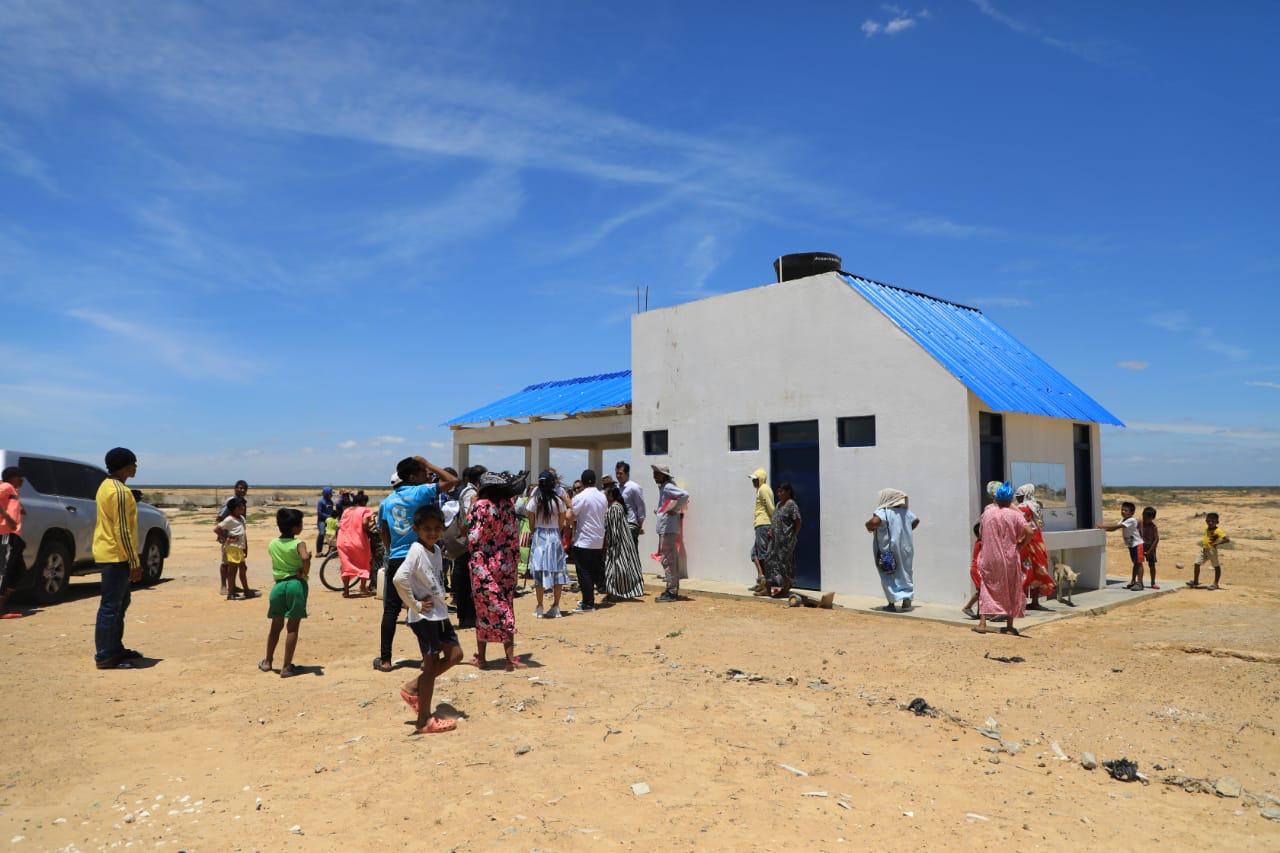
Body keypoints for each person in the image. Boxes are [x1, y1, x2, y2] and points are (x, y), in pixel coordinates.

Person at [375, 456, 457, 673]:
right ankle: (428, 656)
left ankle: (385, 659)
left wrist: (390, 549)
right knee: (426, 603)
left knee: (391, 610)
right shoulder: (420, 492)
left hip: (396, 556)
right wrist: (428, 462)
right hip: (420, 554)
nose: (428, 475)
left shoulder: (387, 502)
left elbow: (383, 529)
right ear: (413, 476)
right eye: (423, 472)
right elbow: (451, 481)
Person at [392, 504, 463, 734]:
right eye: (426, 529)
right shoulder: (416, 550)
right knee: (431, 665)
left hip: (440, 614)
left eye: (436, 528)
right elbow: (399, 578)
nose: (432, 533)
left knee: (455, 655)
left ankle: (414, 687)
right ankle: (424, 720)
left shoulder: (436, 550)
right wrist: (415, 604)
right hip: (425, 617)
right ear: (416, 529)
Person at [93, 448, 144, 670]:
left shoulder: (106, 486)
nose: (135, 467)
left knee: (120, 603)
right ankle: (105, 655)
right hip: (116, 556)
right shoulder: (119, 492)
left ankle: (115, 647)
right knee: (111, 606)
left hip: (108, 552)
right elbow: (122, 530)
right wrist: (134, 562)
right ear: (125, 467)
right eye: (133, 463)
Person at [467, 471, 522, 670]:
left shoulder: (480, 506)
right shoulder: (508, 504)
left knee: (483, 610)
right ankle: (509, 657)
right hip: (506, 563)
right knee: (506, 604)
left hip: (483, 565)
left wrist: (471, 507)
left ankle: (481, 658)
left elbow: (473, 537)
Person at [975, 482, 1033, 635]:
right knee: (1011, 587)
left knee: (986, 586)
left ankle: (982, 624)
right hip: (1009, 557)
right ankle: (1008, 626)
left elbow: (981, 533)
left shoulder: (987, 513)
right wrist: (1021, 545)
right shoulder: (1015, 515)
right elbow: (1030, 532)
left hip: (989, 556)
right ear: (1010, 499)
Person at [259, 508, 310, 678]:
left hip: (278, 587)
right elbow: (304, 557)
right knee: (292, 628)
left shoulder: (273, 543)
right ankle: (287, 666)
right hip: (296, 585)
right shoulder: (298, 543)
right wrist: (304, 571)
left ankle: (268, 661)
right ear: (295, 528)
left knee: (275, 626)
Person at [865, 488, 920, 612]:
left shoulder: (883, 511)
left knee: (888, 573)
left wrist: (868, 525)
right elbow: (916, 521)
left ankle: (891, 603)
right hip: (906, 548)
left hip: (888, 549)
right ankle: (907, 601)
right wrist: (905, 531)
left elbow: (875, 522)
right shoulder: (905, 512)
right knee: (906, 572)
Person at [525, 471, 568, 619]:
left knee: (539, 571)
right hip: (554, 535)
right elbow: (561, 522)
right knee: (557, 572)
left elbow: (530, 519)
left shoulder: (535, 500)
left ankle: (539, 606)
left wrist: (535, 531)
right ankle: (556, 606)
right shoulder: (559, 500)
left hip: (540, 536)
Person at [567, 469, 608, 612]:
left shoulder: (580, 497)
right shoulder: (603, 497)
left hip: (584, 539)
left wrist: (568, 503)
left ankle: (588, 603)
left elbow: (570, 517)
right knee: (593, 570)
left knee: (584, 572)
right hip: (598, 539)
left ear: (582, 483)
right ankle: (591, 598)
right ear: (595, 481)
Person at [450, 465, 484, 629]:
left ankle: (466, 616)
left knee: (465, 580)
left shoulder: (466, 491)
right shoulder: (471, 494)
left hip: (467, 541)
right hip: (468, 542)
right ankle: (467, 616)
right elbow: (470, 518)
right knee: (466, 581)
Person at [651, 464, 690, 603]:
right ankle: (672, 589)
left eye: (657, 473)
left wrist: (676, 508)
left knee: (667, 560)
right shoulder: (666, 487)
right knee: (671, 559)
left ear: (664, 475)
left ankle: (671, 591)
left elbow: (685, 495)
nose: (654, 475)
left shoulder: (667, 487)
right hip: (668, 529)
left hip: (668, 529)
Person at [1014, 484, 1055, 610]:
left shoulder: (1022, 508)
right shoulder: (1036, 506)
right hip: (1038, 542)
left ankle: (1020, 603)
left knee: (1024, 571)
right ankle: (1035, 601)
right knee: (1038, 569)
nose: (1018, 499)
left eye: (1019, 496)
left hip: (1027, 543)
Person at [603, 486, 645, 600]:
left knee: (614, 568)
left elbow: (614, 528)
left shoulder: (614, 509)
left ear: (611, 496)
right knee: (621, 567)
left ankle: (614, 594)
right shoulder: (619, 507)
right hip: (622, 542)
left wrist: (610, 543)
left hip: (618, 544)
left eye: (606, 495)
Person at [759, 482, 801, 598]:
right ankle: (767, 589)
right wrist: (771, 530)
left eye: (781, 491)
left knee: (784, 565)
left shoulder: (791, 504)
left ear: (788, 492)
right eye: (778, 491)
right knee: (768, 560)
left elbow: (798, 522)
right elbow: (776, 520)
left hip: (786, 541)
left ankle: (786, 589)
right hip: (774, 541)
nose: (779, 494)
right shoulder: (778, 504)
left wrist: (792, 536)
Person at [337, 491, 377, 596]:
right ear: (364, 502)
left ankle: (346, 591)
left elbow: (340, 524)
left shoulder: (346, 511)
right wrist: (368, 528)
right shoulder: (366, 510)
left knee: (345, 565)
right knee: (364, 563)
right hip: (358, 540)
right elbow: (364, 524)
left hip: (342, 541)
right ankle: (363, 588)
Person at [1098, 501, 1145, 590]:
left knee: (1139, 564)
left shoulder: (1131, 520)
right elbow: (1114, 528)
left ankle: (1140, 583)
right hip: (1131, 545)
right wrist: (1102, 529)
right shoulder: (1123, 520)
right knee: (1135, 564)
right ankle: (1133, 582)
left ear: (1132, 512)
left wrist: (1102, 527)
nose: (1123, 512)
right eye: (1122, 510)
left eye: (1126, 510)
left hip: (1137, 545)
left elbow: (1116, 527)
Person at [0, 466, 27, 618]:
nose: (22, 479)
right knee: (4, 571)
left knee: (18, 570)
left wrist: (20, 509)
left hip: (14, 535)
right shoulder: (6, 486)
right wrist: (8, 518)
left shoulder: (14, 491)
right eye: (19, 476)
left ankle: (3, 605)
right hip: (5, 533)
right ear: (11, 477)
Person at [216, 480, 250, 594]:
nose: (242, 490)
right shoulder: (231, 501)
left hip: (238, 540)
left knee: (237, 564)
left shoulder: (243, 503)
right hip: (229, 539)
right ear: (235, 488)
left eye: (244, 488)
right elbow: (220, 518)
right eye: (240, 488)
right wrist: (226, 536)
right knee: (226, 562)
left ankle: (233, 586)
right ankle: (224, 586)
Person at [748, 469, 775, 594]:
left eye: (755, 479)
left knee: (763, 555)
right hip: (760, 524)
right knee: (754, 553)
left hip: (763, 524)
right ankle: (761, 578)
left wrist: (774, 526)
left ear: (761, 479)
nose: (753, 481)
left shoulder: (763, 489)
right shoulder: (761, 489)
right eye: (753, 479)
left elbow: (770, 508)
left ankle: (767, 587)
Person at [1188, 512, 1229, 590]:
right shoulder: (1206, 528)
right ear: (1206, 520)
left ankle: (1215, 584)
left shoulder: (1218, 531)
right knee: (1196, 563)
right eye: (1208, 521)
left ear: (1217, 522)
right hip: (1204, 550)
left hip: (1212, 551)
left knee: (1216, 566)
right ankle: (1195, 581)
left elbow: (1227, 539)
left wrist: (1217, 543)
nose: (1210, 523)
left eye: (1212, 521)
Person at [615, 461, 646, 552]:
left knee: (631, 554)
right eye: (616, 473)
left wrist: (639, 526)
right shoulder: (616, 488)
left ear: (627, 473)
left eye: (620, 473)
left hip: (630, 525)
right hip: (618, 526)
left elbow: (641, 507)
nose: (618, 476)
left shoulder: (634, 488)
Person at [962, 522, 982, 619]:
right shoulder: (981, 543)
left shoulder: (980, 542)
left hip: (978, 569)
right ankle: (968, 607)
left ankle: (980, 613)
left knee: (982, 591)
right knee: (982, 591)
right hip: (976, 569)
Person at [1140, 506, 1160, 590]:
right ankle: (1139, 581)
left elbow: (1156, 539)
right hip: (1141, 547)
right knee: (1138, 565)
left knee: (1152, 565)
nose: (1145, 519)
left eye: (1147, 517)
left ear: (1152, 518)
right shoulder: (1139, 524)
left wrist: (1150, 550)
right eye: (1144, 516)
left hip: (1151, 548)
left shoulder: (1153, 527)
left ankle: (1153, 582)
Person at [315, 487, 337, 555]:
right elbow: (319, 512)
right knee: (322, 534)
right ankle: (318, 552)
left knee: (332, 534)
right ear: (326, 494)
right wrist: (328, 516)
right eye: (330, 494)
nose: (332, 495)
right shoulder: (321, 502)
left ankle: (330, 551)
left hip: (330, 521)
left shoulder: (331, 502)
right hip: (322, 521)